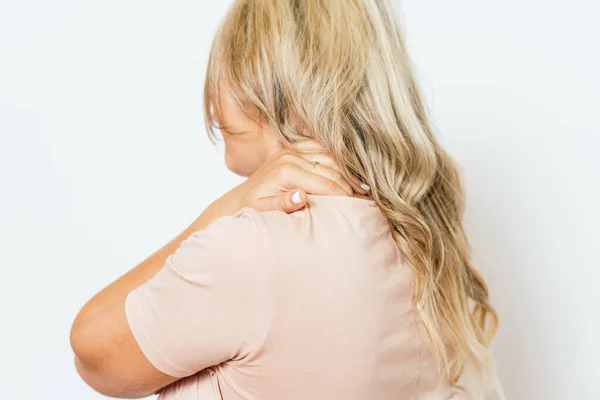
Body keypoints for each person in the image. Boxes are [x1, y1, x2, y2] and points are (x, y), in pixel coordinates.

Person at [70, 0, 500, 399]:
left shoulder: (251, 249)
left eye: (231, 64)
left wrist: (228, 206)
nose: (213, 99)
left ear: (286, 83)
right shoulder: (421, 236)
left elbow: (91, 350)